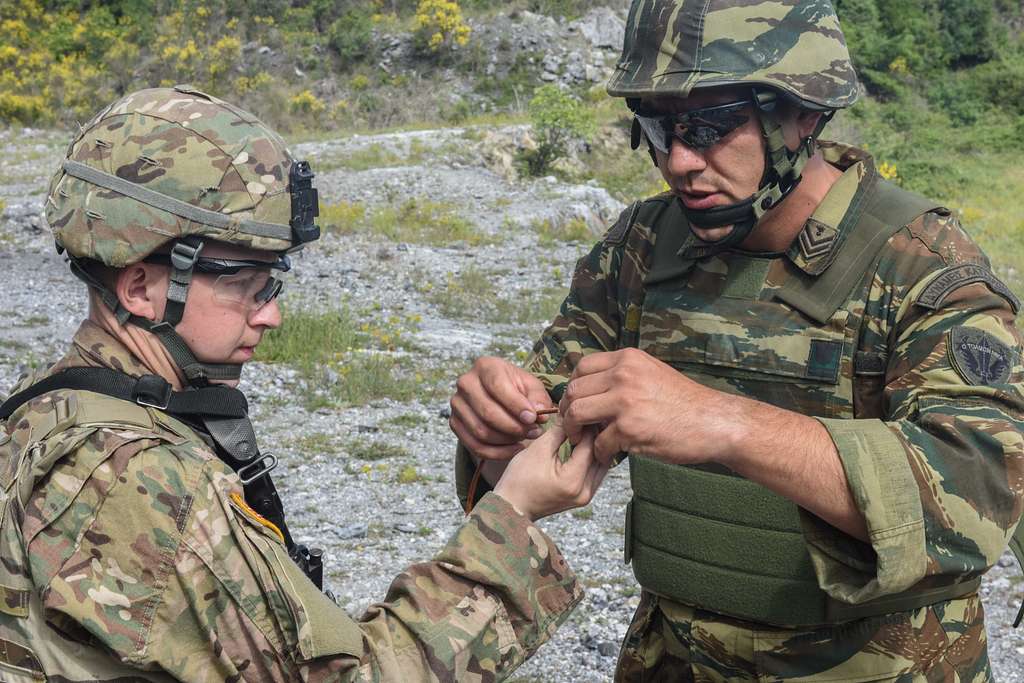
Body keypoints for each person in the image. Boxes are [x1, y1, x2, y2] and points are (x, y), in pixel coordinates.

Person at [449, 1, 1024, 680]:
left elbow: (983, 493)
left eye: (711, 127)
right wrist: (496, 422)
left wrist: (721, 422)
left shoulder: (918, 266)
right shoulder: (644, 247)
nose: (681, 162)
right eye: (658, 130)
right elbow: (540, 424)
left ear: (802, 114)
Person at [0, 86, 610, 682]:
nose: (270, 314)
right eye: (243, 282)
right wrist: (514, 513)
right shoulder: (140, 478)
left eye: (273, 283)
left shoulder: (51, 408)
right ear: (139, 288)